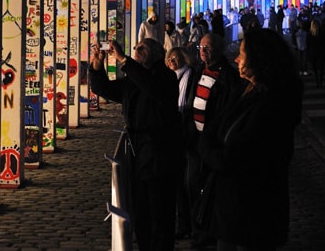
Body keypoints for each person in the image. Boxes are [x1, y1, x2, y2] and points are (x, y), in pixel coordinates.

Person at [198, 28, 302, 251]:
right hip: (231, 207)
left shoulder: (273, 104)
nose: (236, 59)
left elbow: (234, 157)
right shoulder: (244, 89)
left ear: (259, 59)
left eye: (242, 54)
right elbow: (215, 126)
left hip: (253, 209)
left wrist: (208, 151)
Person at [90, 38, 181, 251]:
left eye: (142, 49)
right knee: (140, 211)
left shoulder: (165, 77)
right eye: (135, 48)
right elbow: (105, 89)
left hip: (160, 151)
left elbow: (151, 89)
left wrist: (124, 59)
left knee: (160, 212)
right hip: (137, 151)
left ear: (157, 54)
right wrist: (97, 64)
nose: (136, 51)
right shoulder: (134, 78)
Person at [186, 33, 241, 249]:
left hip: (212, 142)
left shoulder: (227, 76)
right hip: (194, 139)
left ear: (218, 50)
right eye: (201, 47)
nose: (202, 51)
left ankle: (206, 232)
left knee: (208, 189)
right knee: (192, 185)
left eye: (207, 48)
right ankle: (197, 229)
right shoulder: (199, 70)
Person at [165, 47, 199, 240]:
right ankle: (184, 223)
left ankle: (192, 223)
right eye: (170, 58)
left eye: (176, 58)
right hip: (174, 132)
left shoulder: (191, 75)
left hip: (187, 132)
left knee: (189, 181)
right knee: (178, 183)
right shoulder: (165, 77)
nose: (173, 61)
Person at [306, 18, 325, 88]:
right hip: (321, 52)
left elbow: (308, 44)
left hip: (313, 52)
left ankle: (317, 81)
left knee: (314, 68)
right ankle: (320, 81)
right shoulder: (322, 33)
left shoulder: (309, 34)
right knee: (321, 68)